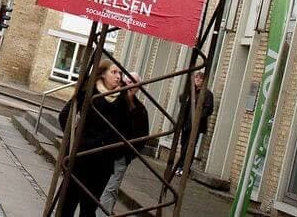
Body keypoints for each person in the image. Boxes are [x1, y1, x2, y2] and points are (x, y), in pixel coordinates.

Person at [55, 58, 149, 217]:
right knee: (67, 205)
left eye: (120, 73)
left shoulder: (122, 100)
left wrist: (117, 154)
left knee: (88, 208)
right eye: (114, 72)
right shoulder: (88, 92)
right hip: (80, 158)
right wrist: (74, 143)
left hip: (102, 165)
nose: (118, 76)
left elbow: (128, 132)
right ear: (103, 74)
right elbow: (65, 116)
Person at [172, 69, 216, 175]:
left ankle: (185, 168)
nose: (197, 80)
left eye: (200, 78)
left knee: (190, 146)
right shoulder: (191, 90)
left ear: (204, 81)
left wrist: (198, 118)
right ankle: (180, 166)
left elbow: (208, 109)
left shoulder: (207, 94)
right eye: (196, 78)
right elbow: (181, 99)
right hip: (186, 122)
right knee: (183, 144)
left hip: (196, 124)